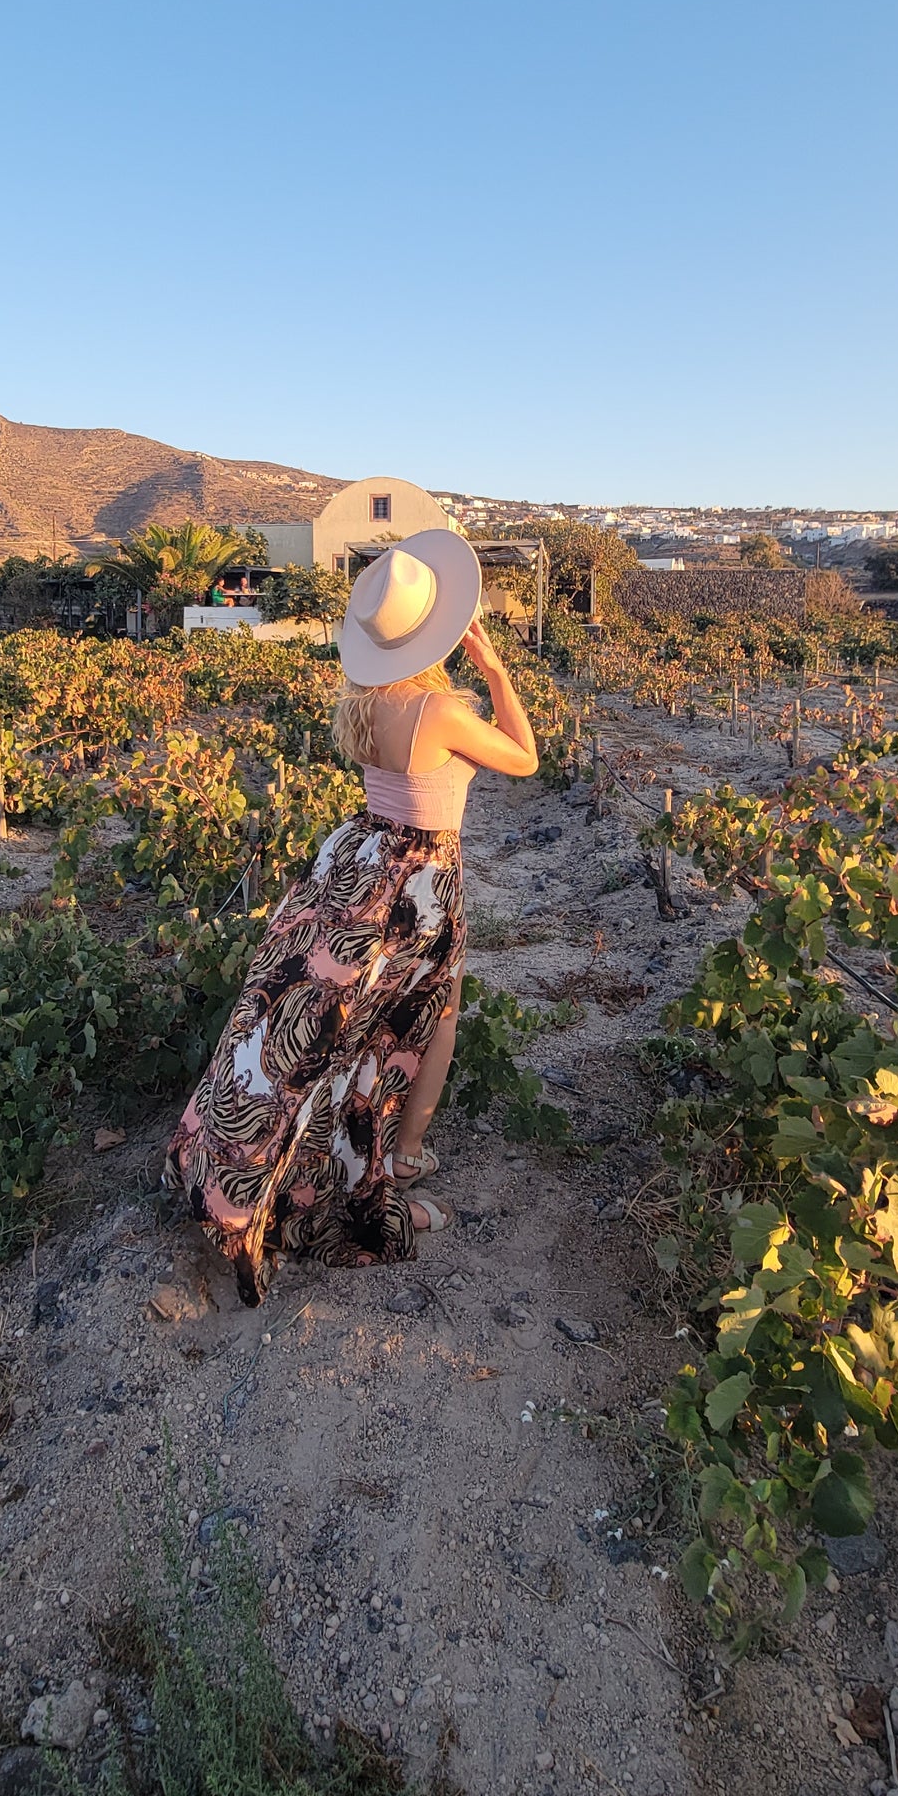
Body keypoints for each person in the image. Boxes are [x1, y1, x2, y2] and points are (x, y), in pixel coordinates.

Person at [165, 531, 538, 1303]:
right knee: (431, 1019)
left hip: (362, 863)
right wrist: (497, 672)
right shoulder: (439, 706)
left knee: (335, 1025)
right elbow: (527, 757)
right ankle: (397, 1160)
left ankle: (321, 1150)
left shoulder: (365, 701)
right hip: (421, 881)